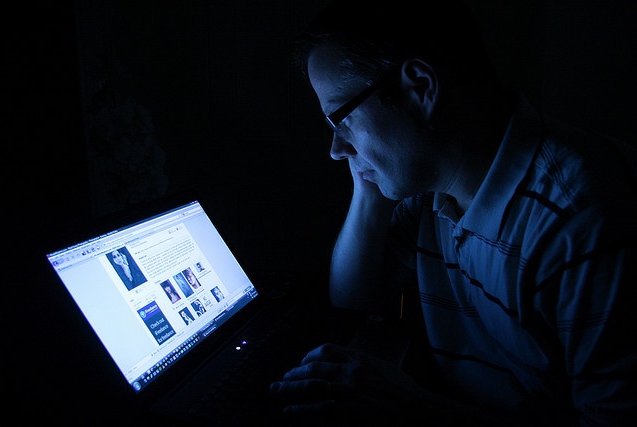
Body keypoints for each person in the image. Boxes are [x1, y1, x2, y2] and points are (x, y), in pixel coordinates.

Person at [269, 0, 637, 425]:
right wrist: (368, 181)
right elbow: (354, 301)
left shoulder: (585, 218)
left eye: (341, 119)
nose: (336, 150)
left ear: (421, 88)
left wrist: (412, 408)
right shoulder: (433, 190)